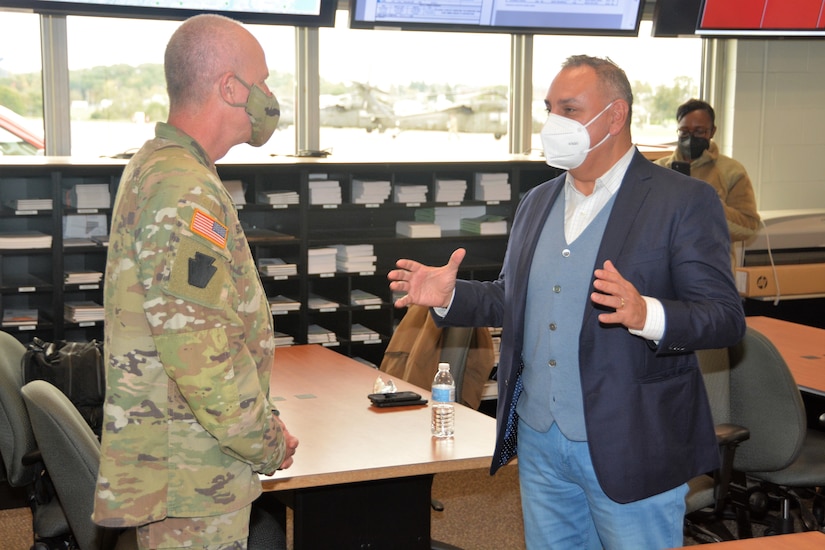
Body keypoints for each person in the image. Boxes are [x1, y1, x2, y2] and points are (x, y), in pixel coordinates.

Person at [388, 55, 746, 549]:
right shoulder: (538, 201)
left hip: (631, 439)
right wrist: (451, 296)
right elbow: (514, 299)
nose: (553, 122)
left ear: (615, 116)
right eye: (549, 108)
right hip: (540, 439)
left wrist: (650, 315)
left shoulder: (682, 201)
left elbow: (725, 318)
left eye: (570, 109)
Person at [92, 14, 298, 550]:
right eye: (263, 81)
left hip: (180, 462)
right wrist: (268, 441)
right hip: (191, 474)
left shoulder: (165, 167)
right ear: (231, 88)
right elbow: (202, 354)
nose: (270, 96)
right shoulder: (184, 188)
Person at [655, 98, 761, 268]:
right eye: (684, 131)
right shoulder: (659, 170)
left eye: (699, 131)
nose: (690, 137)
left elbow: (749, 227)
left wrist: (712, 205)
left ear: (712, 132)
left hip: (712, 269)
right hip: (664, 267)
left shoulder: (732, 171)